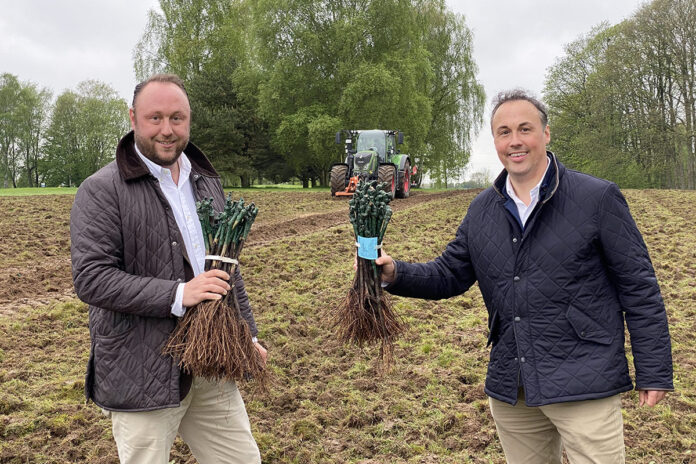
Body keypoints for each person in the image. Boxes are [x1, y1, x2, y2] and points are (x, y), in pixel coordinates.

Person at [376, 89, 673, 463]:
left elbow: (639, 287)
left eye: (524, 129)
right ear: (495, 141)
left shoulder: (597, 198)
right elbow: (450, 273)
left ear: (546, 134)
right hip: (512, 383)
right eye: (503, 132)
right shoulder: (483, 209)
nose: (514, 141)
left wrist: (655, 371)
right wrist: (394, 272)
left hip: (584, 379)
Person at [70, 73, 265, 464]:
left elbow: (228, 271)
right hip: (142, 370)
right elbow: (91, 277)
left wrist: (248, 334)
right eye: (154, 118)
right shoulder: (102, 189)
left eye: (177, 118)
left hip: (212, 361)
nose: (167, 129)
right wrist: (179, 294)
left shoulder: (206, 181)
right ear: (132, 118)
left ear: (189, 120)